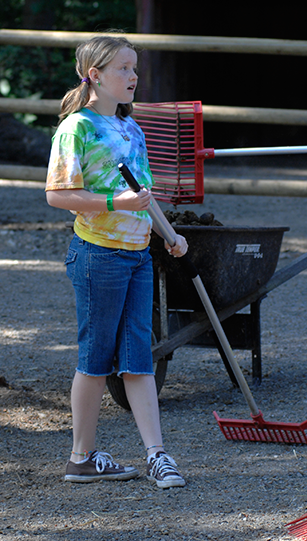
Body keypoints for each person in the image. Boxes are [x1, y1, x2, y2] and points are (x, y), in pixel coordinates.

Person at [46, 35, 189, 489]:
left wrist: (169, 234)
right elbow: (58, 195)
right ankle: (80, 458)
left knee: (138, 357)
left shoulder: (132, 128)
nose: (133, 77)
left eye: (134, 69)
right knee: (95, 359)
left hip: (138, 256)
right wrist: (115, 202)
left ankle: (157, 455)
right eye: (124, 69)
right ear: (94, 75)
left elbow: (142, 197)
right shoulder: (77, 129)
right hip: (97, 256)